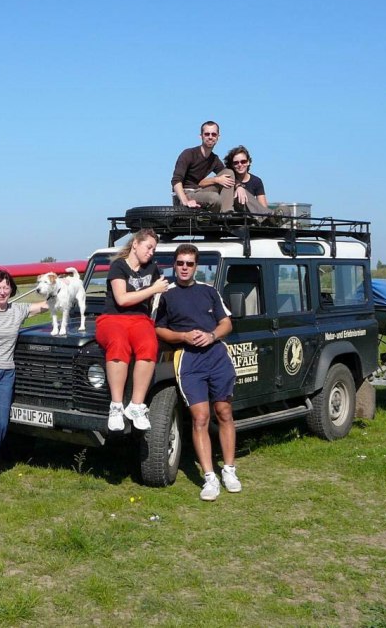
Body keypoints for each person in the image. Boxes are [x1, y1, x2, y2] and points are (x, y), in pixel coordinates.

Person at [155, 244, 241, 501]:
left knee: (224, 411)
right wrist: (182, 336)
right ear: (174, 264)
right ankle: (209, 478)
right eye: (180, 263)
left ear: (196, 266)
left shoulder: (209, 291)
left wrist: (211, 334)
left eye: (189, 264)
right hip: (188, 360)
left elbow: (226, 322)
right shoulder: (166, 295)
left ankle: (229, 470)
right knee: (200, 417)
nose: (184, 268)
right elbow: (159, 329)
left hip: (216, 356)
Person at [0, 270, 49, 481]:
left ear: (11, 289)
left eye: (6, 287)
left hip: (6, 373)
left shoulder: (18, 310)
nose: (2, 291)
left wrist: (57, 289)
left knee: (1, 421)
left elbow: (45, 306)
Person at [95, 228, 169, 432]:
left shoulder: (152, 269)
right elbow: (122, 299)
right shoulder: (118, 266)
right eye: (148, 247)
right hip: (113, 317)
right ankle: (116, 406)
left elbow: (161, 297)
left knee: (149, 345)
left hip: (140, 318)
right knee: (118, 344)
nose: (151, 252)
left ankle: (136, 405)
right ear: (135, 244)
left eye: (154, 249)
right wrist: (153, 289)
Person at [171, 120, 235, 212]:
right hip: (185, 193)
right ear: (201, 136)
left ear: (218, 137)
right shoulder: (188, 154)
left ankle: (227, 212)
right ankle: (221, 216)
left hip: (200, 191)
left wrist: (240, 187)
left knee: (229, 172)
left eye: (213, 134)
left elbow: (226, 174)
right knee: (214, 198)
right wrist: (184, 200)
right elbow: (176, 181)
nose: (210, 137)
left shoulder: (214, 159)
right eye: (207, 134)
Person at [224, 145, 273, 219]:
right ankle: (271, 217)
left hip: (253, 217)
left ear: (248, 162)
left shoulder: (256, 181)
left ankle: (272, 218)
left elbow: (263, 206)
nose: (240, 165)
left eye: (243, 161)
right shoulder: (228, 178)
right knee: (241, 194)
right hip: (236, 217)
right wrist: (239, 187)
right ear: (232, 165)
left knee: (285, 210)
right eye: (236, 163)